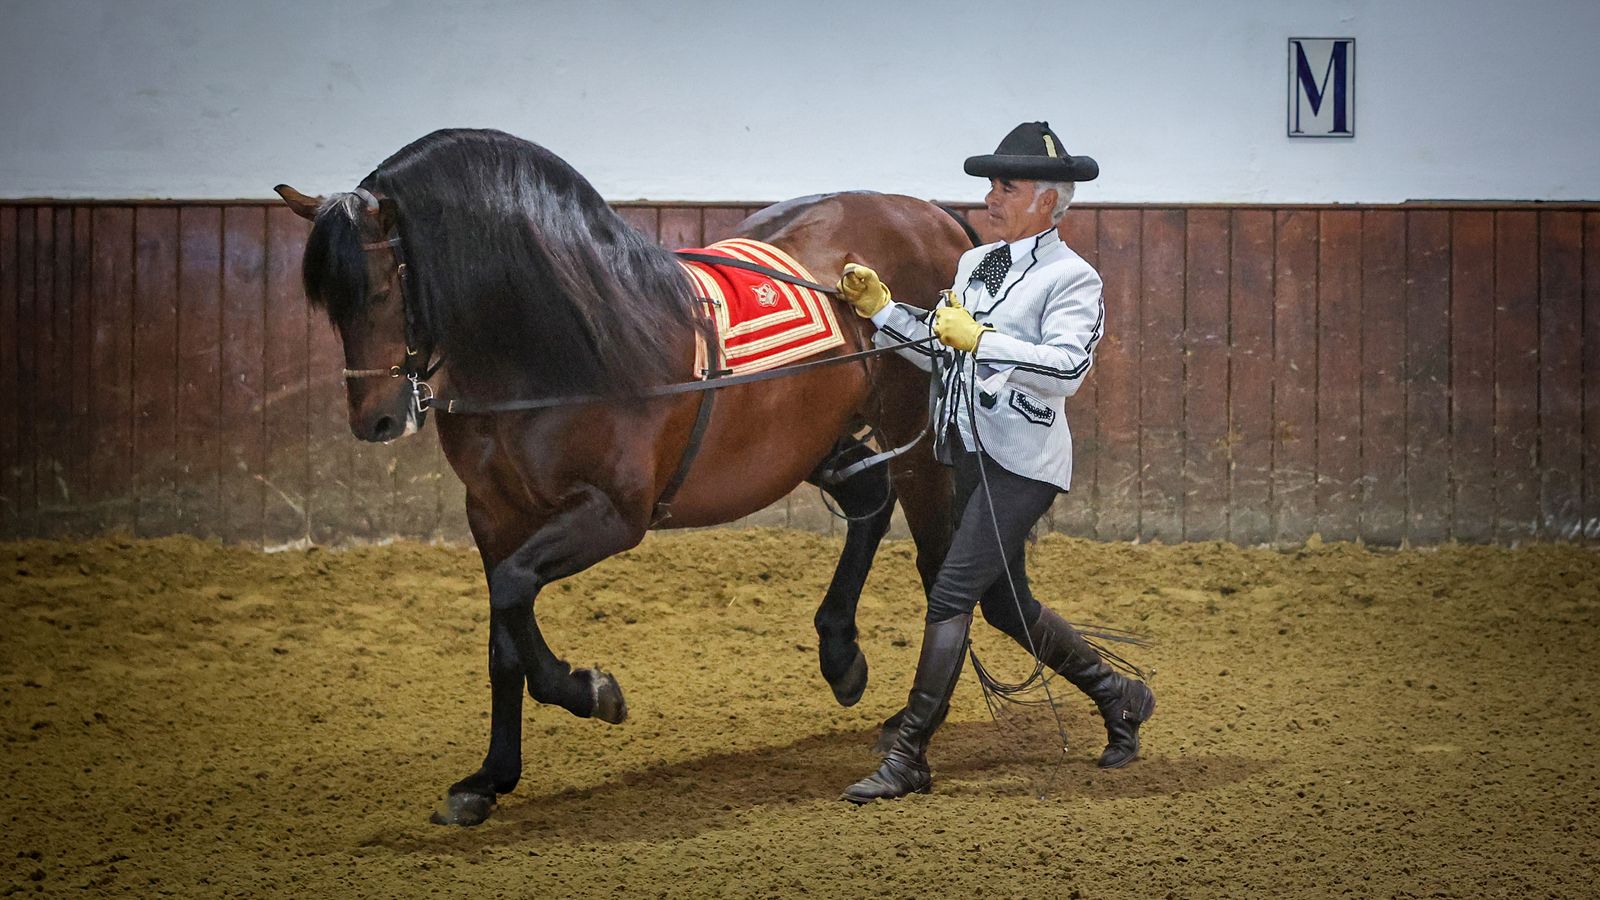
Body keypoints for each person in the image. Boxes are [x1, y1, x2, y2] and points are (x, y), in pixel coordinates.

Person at [835, 121, 1154, 803]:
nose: (990, 198)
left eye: (1006, 187)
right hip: (969, 452)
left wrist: (982, 339)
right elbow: (943, 351)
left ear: (1048, 200)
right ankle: (1117, 696)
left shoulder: (1074, 278)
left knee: (951, 593)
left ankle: (910, 755)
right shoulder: (975, 265)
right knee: (1007, 606)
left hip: (1024, 463)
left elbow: (1067, 369)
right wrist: (885, 311)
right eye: (992, 186)